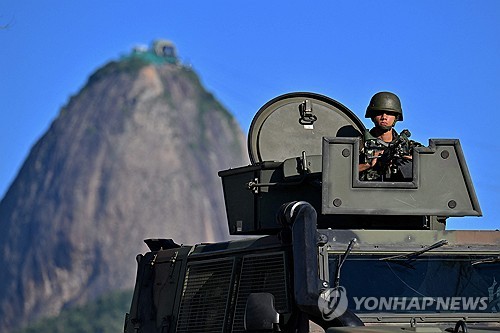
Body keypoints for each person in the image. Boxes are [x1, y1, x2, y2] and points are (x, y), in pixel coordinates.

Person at [359, 92, 421, 181]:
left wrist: (413, 160)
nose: (384, 117)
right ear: (372, 116)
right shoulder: (360, 144)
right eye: (379, 113)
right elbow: (341, 171)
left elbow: (432, 162)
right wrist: (368, 165)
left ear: (396, 118)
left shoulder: (406, 145)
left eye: (389, 113)